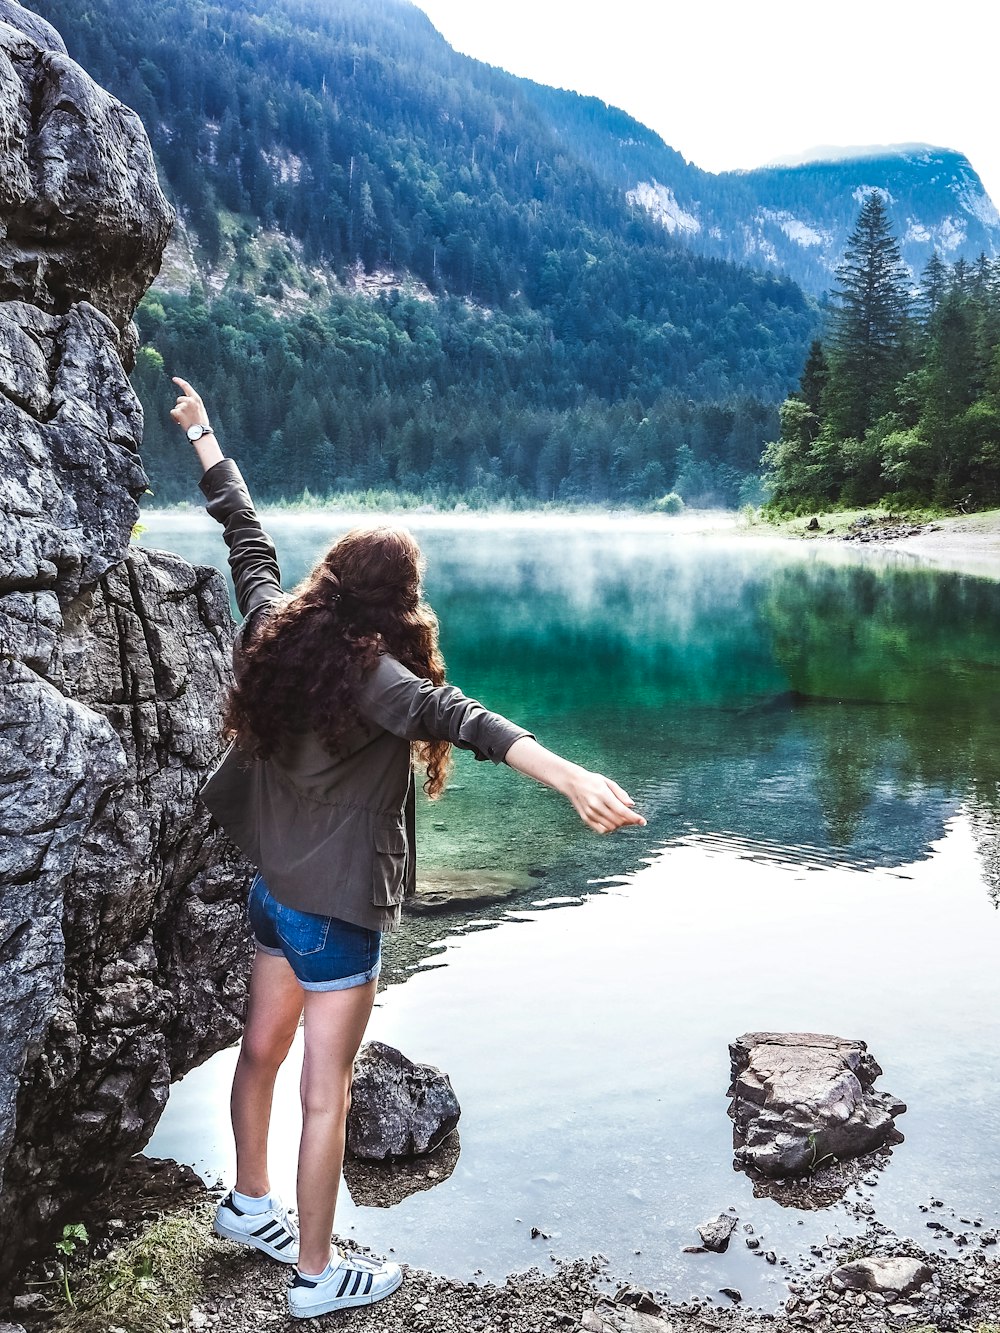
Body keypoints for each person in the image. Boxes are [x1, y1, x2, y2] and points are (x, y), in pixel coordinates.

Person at [169, 377, 646, 1320]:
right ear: (397, 605)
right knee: (326, 1094)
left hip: (272, 895)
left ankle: (246, 1203)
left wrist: (204, 436)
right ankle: (314, 1276)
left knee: (260, 1053)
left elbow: (248, 541)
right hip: (335, 918)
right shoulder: (380, 678)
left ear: (333, 585)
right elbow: (466, 719)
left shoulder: (275, 630)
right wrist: (571, 778)